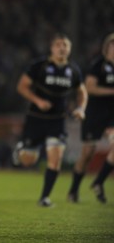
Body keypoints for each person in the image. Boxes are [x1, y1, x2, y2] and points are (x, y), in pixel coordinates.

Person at [13, 33, 88, 207]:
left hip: (57, 120)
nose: (62, 48)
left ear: (69, 49)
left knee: (56, 159)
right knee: (28, 160)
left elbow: (82, 91)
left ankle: (44, 197)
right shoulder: (39, 66)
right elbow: (22, 86)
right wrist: (38, 101)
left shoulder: (73, 70)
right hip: (36, 118)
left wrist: (81, 108)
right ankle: (20, 150)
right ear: (52, 48)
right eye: (58, 45)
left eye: (65, 45)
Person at [68, 33, 114, 203]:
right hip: (94, 113)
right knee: (88, 153)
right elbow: (90, 87)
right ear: (107, 48)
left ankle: (99, 182)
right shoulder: (98, 65)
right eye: (113, 46)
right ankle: (73, 190)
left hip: (111, 116)